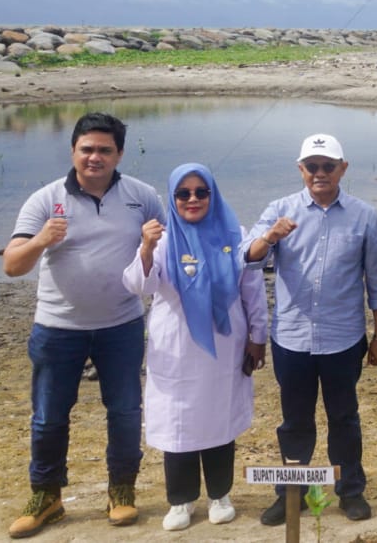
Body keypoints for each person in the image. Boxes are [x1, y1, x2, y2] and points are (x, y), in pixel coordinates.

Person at [3, 112, 165, 538]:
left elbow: (167, 254)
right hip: (57, 328)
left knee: (127, 411)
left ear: (119, 154)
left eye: (104, 150)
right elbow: (12, 266)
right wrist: (40, 240)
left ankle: (122, 490)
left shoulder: (142, 196)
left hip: (122, 324)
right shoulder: (45, 199)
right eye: (86, 149)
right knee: (49, 417)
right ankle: (46, 496)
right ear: (73, 150)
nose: (95, 157)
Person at [242, 133, 377, 526]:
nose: (320, 174)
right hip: (292, 338)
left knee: (345, 417)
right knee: (295, 421)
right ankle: (292, 494)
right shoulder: (281, 209)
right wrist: (269, 236)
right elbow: (248, 257)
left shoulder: (362, 214)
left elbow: (376, 278)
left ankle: (351, 491)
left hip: (344, 338)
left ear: (343, 168)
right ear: (300, 169)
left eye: (328, 166)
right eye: (312, 166)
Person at [122, 163, 268, 531]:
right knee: (179, 423)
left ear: (212, 195)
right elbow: (140, 286)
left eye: (201, 192)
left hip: (225, 343)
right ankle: (181, 500)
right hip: (177, 349)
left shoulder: (235, 235)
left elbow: (252, 290)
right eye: (183, 193)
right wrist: (146, 248)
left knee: (219, 418)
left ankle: (220, 494)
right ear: (172, 199)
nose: (192, 199)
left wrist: (258, 336)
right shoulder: (164, 240)